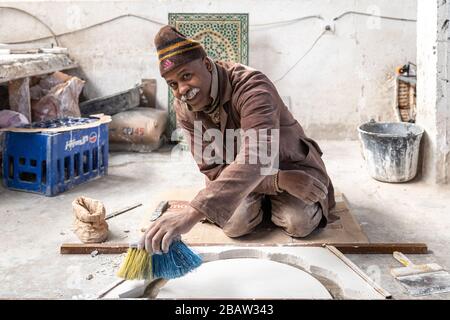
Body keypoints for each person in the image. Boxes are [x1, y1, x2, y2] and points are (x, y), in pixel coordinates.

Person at [141, 25, 335, 254]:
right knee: (235, 224)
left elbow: (257, 156)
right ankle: (262, 202)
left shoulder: (252, 87)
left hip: (290, 166)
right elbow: (212, 169)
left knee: (299, 222)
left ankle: (270, 203)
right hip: (256, 176)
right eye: (173, 84)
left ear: (206, 64)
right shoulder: (183, 107)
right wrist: (277, 181)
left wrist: (192, 213)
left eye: (186, 76)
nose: (183, 89)